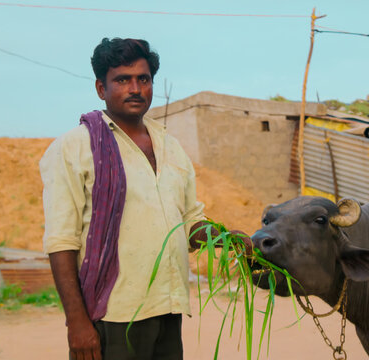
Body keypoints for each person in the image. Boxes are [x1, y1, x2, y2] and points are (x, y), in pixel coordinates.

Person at [40, 37, 249, 360]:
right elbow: (61, 241)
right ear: (101, 88)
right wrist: (77, 323)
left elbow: (190, 223)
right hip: (113, 315)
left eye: (144, 79)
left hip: (168, 308)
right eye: (122, 80)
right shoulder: (75, 147)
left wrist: (224, 237)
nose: (135, 88)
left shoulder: (170, 147)